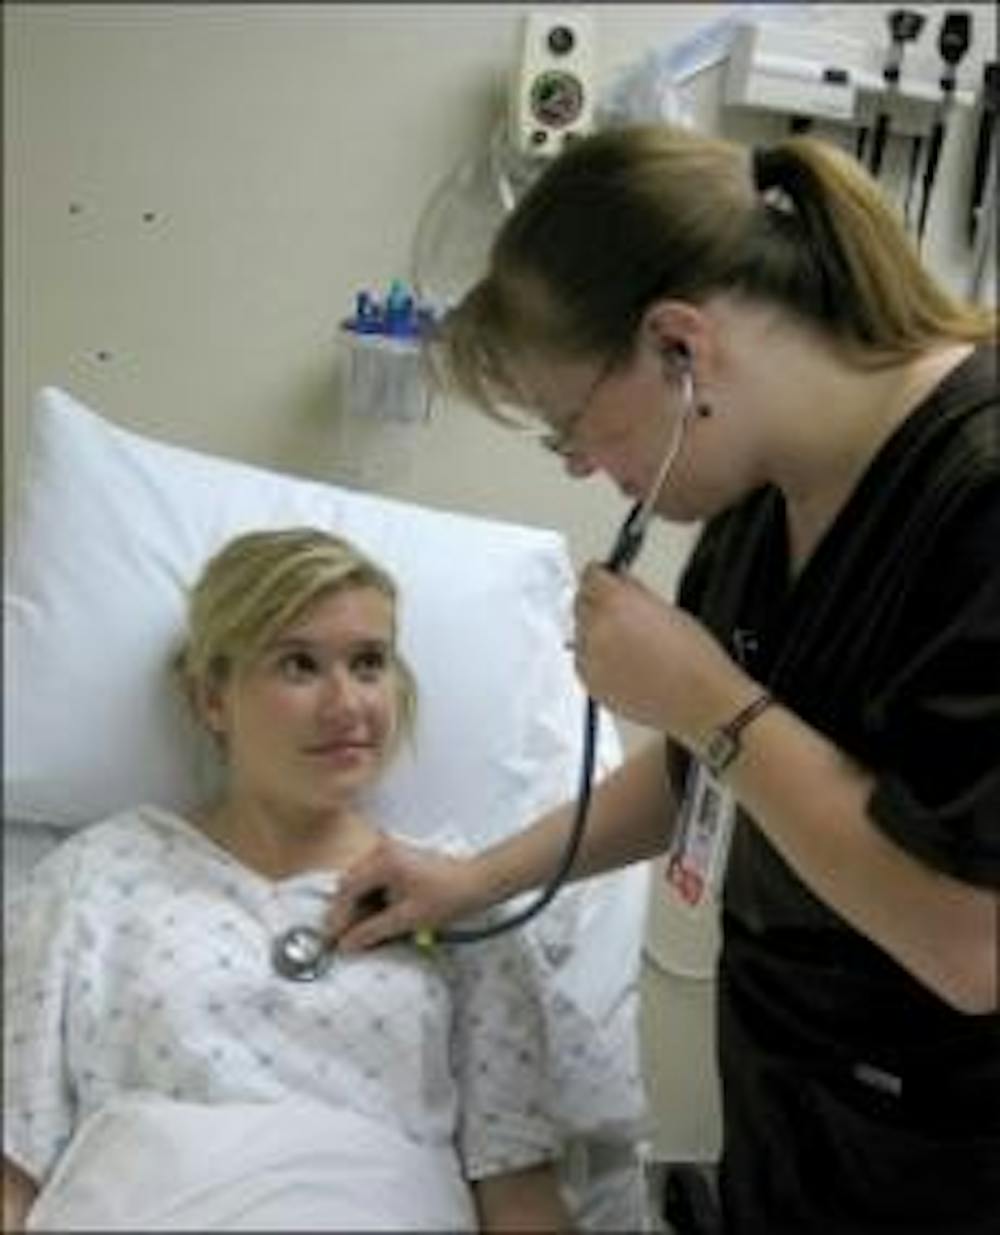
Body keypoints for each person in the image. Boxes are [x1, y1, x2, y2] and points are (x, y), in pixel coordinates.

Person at [328, 126, 1000, 1235]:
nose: (587, 466)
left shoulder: (974, 501)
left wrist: (705, 699)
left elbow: (970, 943)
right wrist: (475, 876)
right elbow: (710, 775)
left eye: (570, 429)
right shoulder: (752, 488)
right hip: (796, 1115)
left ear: (679, 345)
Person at [3, 528, 577, 1233]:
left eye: (369, 663)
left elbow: (517, 1190)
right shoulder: (94, 878)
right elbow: (12, 1168)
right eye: (299, 665)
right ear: (211, 697)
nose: (347, 705)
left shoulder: (461, 898)